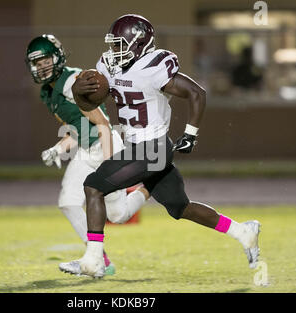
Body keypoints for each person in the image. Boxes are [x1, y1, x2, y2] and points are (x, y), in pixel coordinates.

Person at [59, 15, 261, 278]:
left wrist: (191, 134)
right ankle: (245, 232)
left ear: (139, 44)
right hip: (142, 148)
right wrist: (77, 94)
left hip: (152, 148)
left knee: (93, 186)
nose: (114, 51)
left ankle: (94, 260)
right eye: (113, 45)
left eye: (120, 45)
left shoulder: (152, 67)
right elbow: (89, 106)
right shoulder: (110, 68)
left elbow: (197, 93)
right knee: (180, 208)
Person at [25, 34, 150, 276]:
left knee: (118, 214)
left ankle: (150, 186)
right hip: (85, 149)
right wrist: (58, 149)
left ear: (58, 57)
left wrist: (109, 164)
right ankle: (99, 260)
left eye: (46, 61)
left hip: (106, 145)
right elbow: (77, 128)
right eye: (37, 63)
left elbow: (102, 123)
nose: (42, 67)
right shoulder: (47, 93)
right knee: (68, 202)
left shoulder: (74, 81)